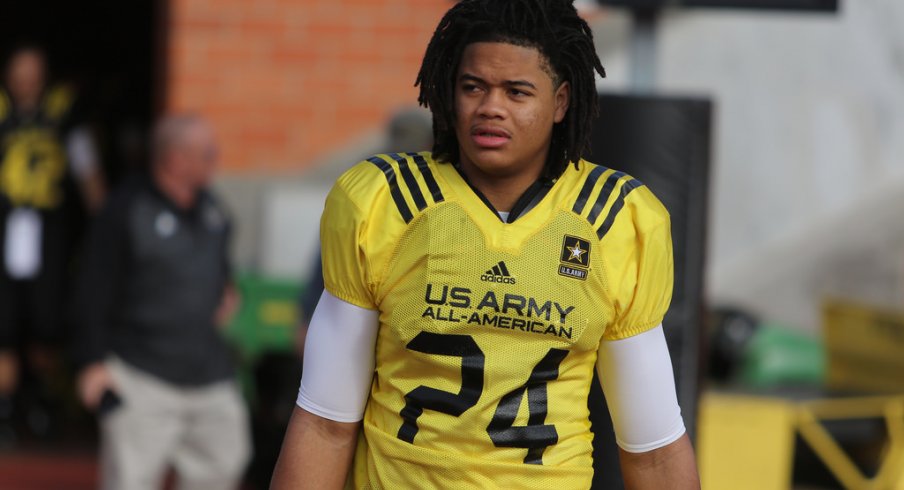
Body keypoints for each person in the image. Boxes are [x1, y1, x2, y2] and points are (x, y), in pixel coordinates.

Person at [271, 0, 700, 488]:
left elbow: (654, 449)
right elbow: (325, 422)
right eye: (473, 86)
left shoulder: (615, 220)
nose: (490, 106)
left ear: (560, 102)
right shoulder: (386, 204)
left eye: (517, 92)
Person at [72, 114, 250, 490]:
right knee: (130, 480)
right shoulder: (125, 209)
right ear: (175, 158)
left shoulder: (213, 209)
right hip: (141, 375)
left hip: (208, 374)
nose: (216, 160)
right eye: (208, 153)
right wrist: (90, 362)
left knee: (226, 463)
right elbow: (91, 290)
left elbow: (222, 271)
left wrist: (227, 292)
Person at [0, 45, 104, 444]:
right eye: (18, 72)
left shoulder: (63, 113)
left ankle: (41, 401)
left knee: (46, 319)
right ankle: (7, 408)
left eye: (32, 72)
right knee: (4, 322)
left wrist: (102, 218)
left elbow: (87, 169)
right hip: (6, 227)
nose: (25, 81)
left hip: (49, 230)